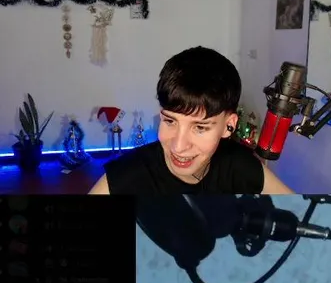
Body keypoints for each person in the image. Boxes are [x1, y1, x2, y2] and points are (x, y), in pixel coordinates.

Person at [88, 47, 293, 195]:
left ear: (228, 125)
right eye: (170, 121)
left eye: (200, 127)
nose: (178, 146)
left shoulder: (241, 167)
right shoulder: (125, 177)